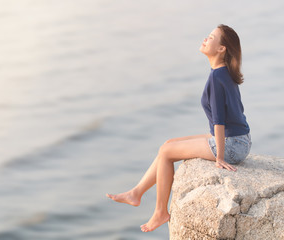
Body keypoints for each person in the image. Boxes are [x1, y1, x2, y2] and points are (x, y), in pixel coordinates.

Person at [106, 24, 252, 232]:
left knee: (166, 153)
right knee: (169, 144)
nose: (205, 39)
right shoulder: (224, 73)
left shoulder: (217, 77)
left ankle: (160, 212)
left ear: (222, 49)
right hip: (240, 139)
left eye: (211, 37)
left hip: (232, 145)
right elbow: (232, 116)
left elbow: (219, 121)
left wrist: (220, 157)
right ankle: (136, 193)